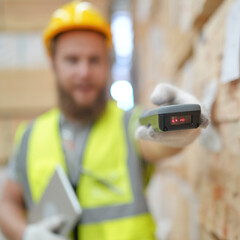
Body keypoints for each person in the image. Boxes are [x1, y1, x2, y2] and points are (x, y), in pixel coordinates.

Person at [0, 1, 208, 240]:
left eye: (94, 60)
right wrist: (26, 234)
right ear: (53, 64)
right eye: (72, 60)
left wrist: (185, 128)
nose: (84, 72)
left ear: (107, 64)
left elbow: (157, 144)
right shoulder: (30, 135)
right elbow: (7, 204)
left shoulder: (128, 123)